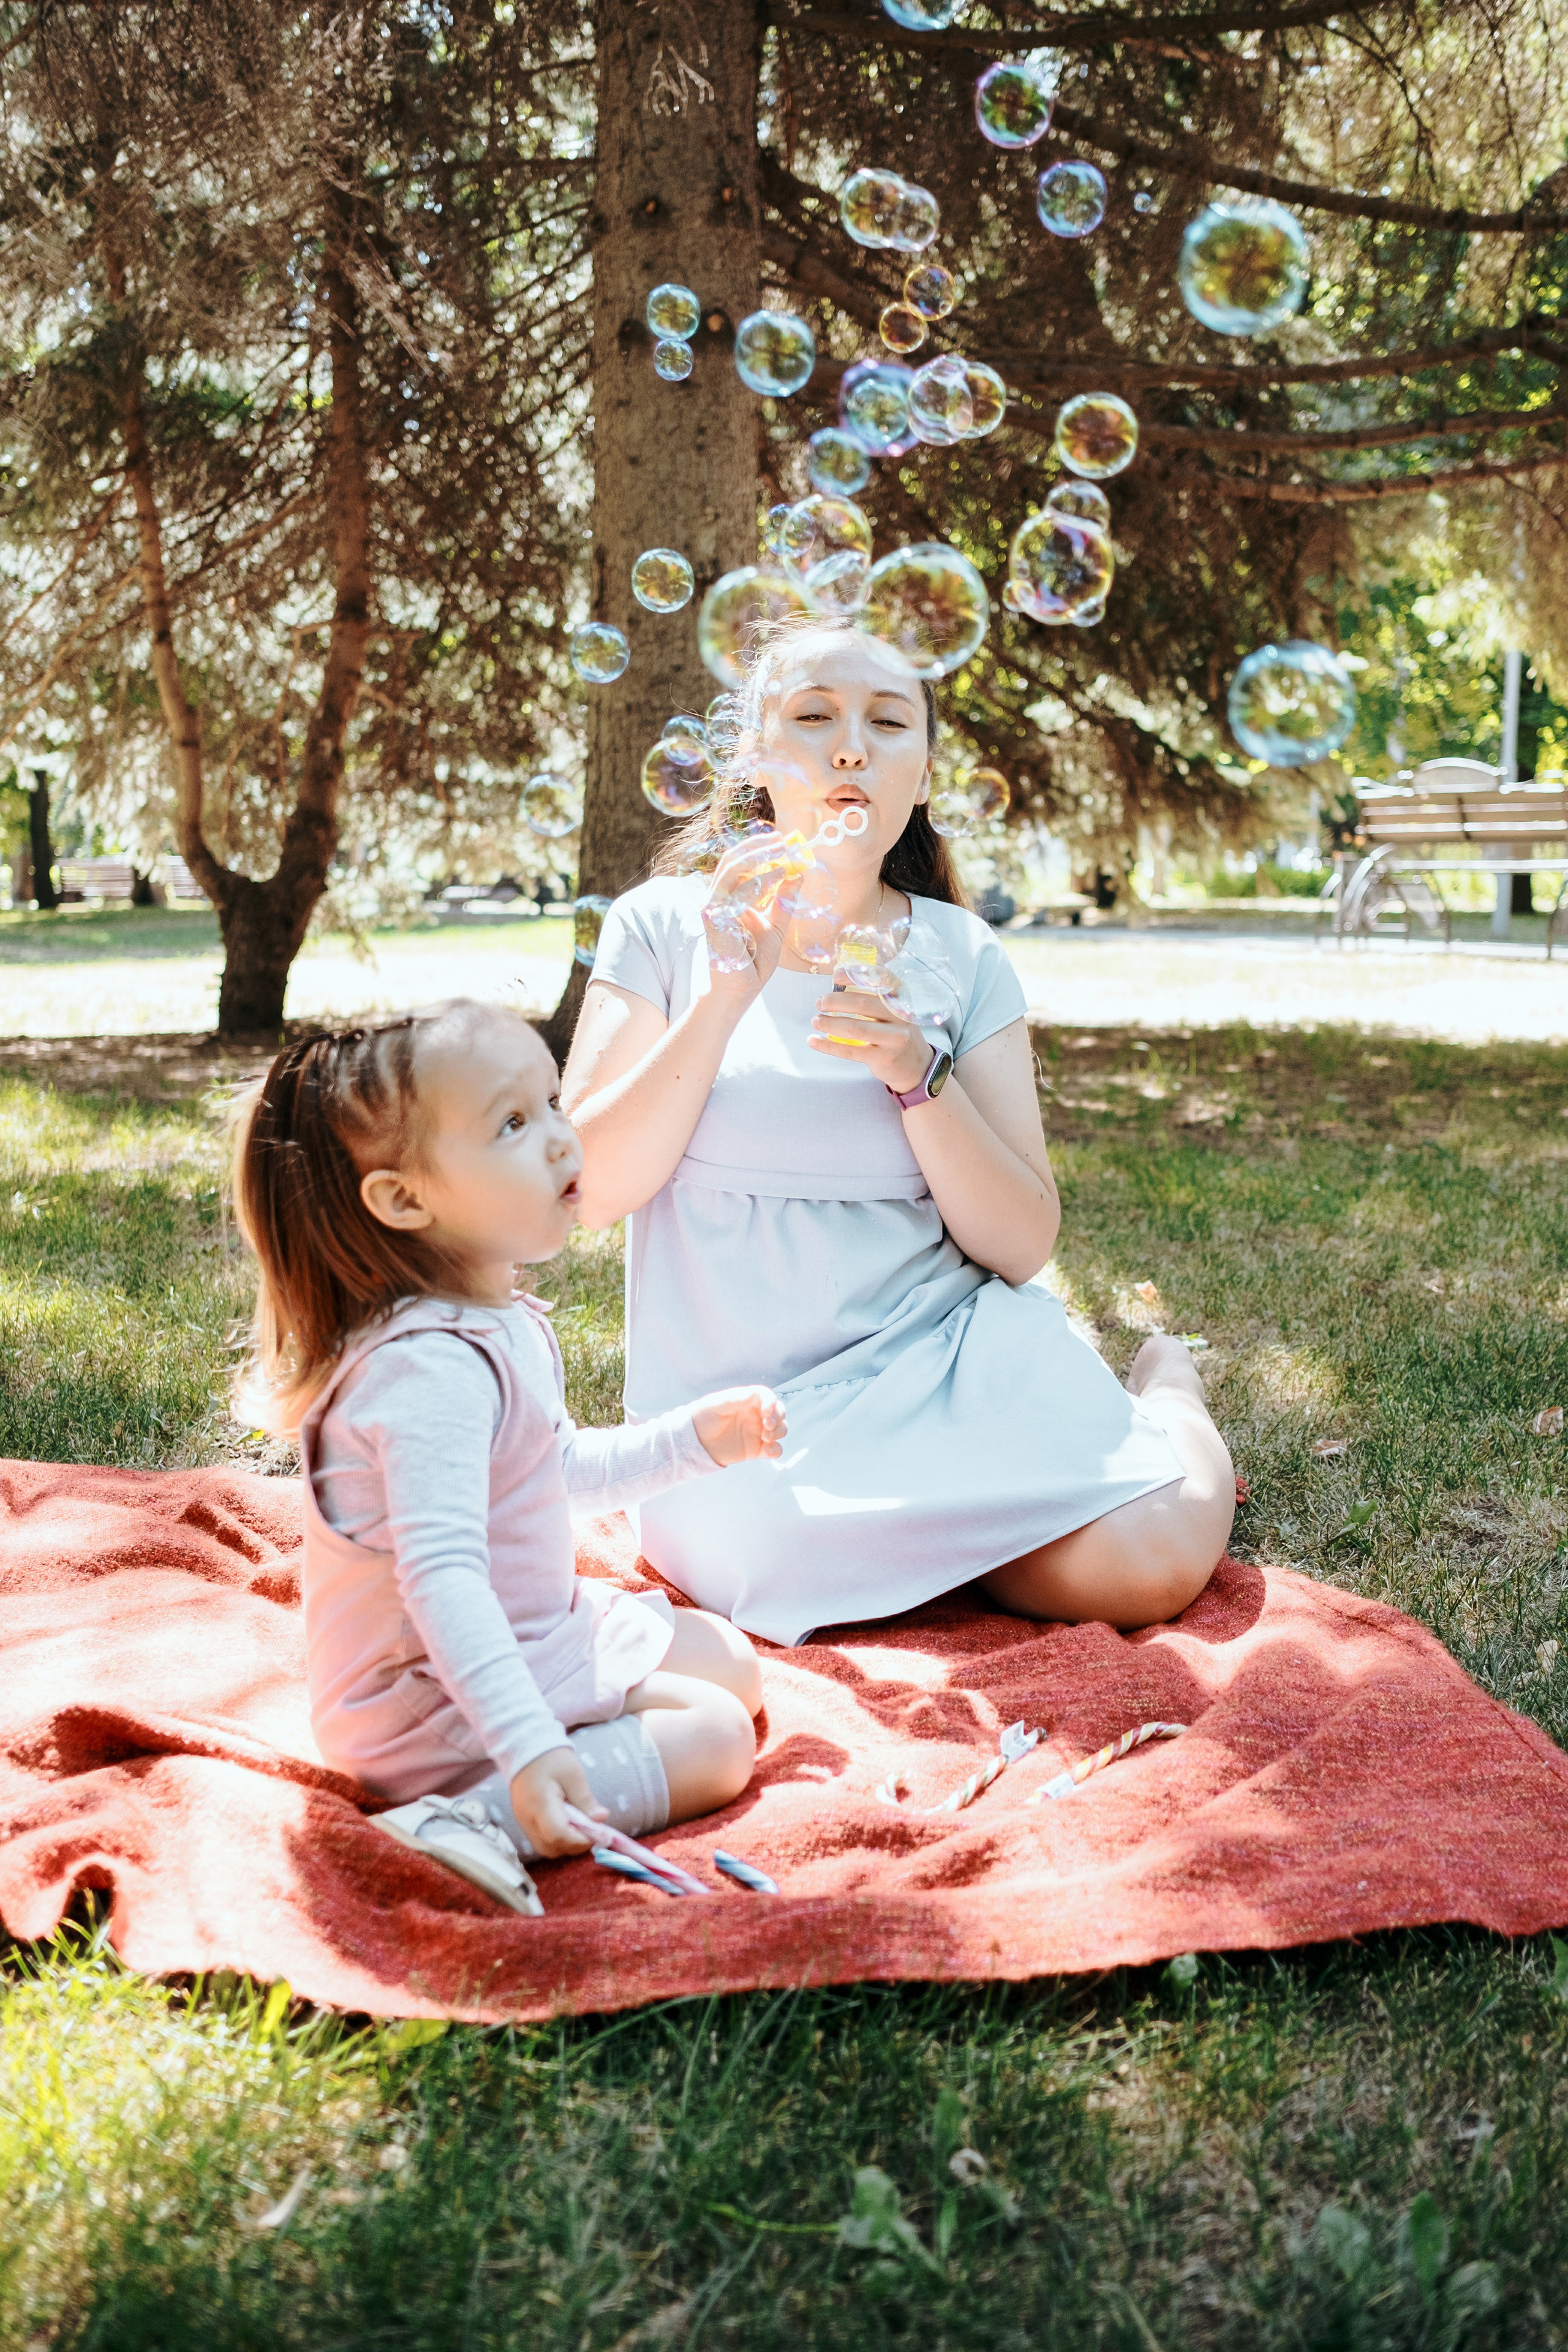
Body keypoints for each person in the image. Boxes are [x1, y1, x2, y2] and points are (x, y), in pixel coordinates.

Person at [561, 616, 1235, 1648]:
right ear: (754, 759)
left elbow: (1018, 1243)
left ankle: (1167, 1389)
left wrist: (921, 1079)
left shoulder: (962, 955)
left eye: (886, 722)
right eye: (813, 718)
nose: (848, 748)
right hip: (743, 1415)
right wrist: (724, 999)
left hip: (948, 1359)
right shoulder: (664, 926)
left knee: (1152, 1563)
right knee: (762, 1564)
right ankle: (981, 1522)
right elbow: (584, 1191)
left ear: (921, 774)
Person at [231, 1001, 777, 1915]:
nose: (564, 1140)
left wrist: (693, 1442)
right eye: (514, 1125)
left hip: (525, 1630)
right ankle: (470, 1821)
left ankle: (544, 1749)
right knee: (718, 1738)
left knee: (731, 1661)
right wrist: (528, 1746)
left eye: (553, 1104)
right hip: (424, 1699)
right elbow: (440, 1584)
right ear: (406, 1199)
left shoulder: (496, 1319)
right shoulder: (425, 1371)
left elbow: (553, 1471)